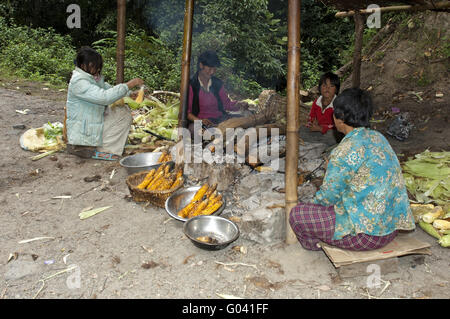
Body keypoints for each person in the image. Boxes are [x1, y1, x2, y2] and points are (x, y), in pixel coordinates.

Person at [290, 88, 415, 251]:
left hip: (365, 237)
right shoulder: (378, 137)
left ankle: (316, 246)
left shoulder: (345, 150)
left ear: (340, 119)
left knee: (298, 214)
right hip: (391, 229)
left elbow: (327, 198)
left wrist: (311, 203)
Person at [65, 46, 144, 160]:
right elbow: (104, 97)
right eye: (94, 66)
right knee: (122, 115)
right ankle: (105, 150)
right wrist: (128, 84)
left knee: (122, 111)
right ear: (83, 66)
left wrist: (129, 93)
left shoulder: (92, 78)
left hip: (90, 123)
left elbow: (108, 89)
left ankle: (104, 145)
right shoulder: (79, 82)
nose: (97, 69)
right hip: (83, 132)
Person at [187, 50, 249, 135]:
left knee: (245, 120)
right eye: (210, 68)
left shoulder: (217, 84)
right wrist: (200, 121)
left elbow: (226, 104)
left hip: (220, 119)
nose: (212, 72)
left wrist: (238, 104)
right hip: (202, 123)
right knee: (195, 129)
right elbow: (187, 112)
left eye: (214, 68)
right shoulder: (191, 85)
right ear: (201, 65)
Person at [300, 72, 342, 146]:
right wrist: (311, 124)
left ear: (336, 89)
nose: (327, 88)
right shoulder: (317, 102)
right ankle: (318, 144)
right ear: (319, 88)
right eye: (324, 85)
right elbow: (311, 117)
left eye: (331, 86)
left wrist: (321, 128)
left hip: (330, 133)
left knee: (333, 136)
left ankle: (315, 144)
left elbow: (339, 125)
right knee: (301, 129)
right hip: (317, 132)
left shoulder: (338, 104)